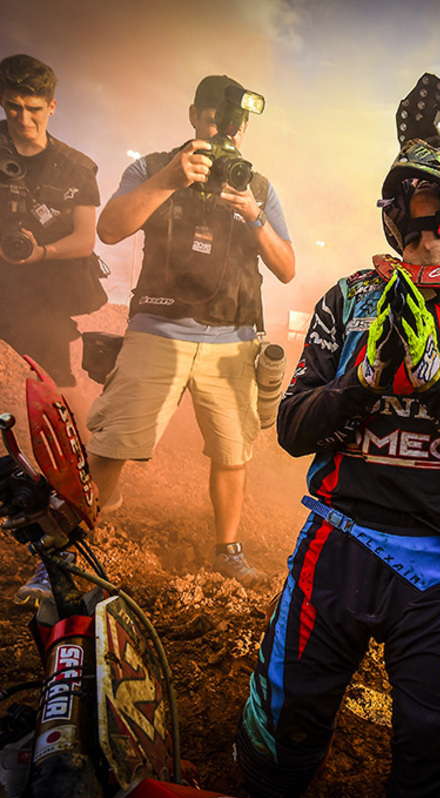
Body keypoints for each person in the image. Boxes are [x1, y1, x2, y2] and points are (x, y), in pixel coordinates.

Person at [233, 73, 440, 798]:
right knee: (268, 765)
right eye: (411, 228)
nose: (425, 242)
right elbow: (291, 429)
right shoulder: (353, 296)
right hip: (332, 546)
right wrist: (363, 381)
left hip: (438, 568)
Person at [85, 74, 295, 588]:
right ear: (194, 117)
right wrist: (170, 180)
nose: (226, 133)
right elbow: (109, 229)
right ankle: (76, 546)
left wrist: (254, 216)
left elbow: (287, 268)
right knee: (112, 442)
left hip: (233, 338)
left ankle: (228, 550)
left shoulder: (257, 186)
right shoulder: (153, 167)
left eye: (235, 126)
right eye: (215, 121)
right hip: (158, 327)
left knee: (232, 453)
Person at [1, 54, 107, 607]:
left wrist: (37, 251)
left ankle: (83, 479)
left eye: (33, 109)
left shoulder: (75, 166)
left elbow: (87, 239)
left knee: (56, 386)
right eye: (13, 107)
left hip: (41, 292)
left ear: (52, 106)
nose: (23, 119)